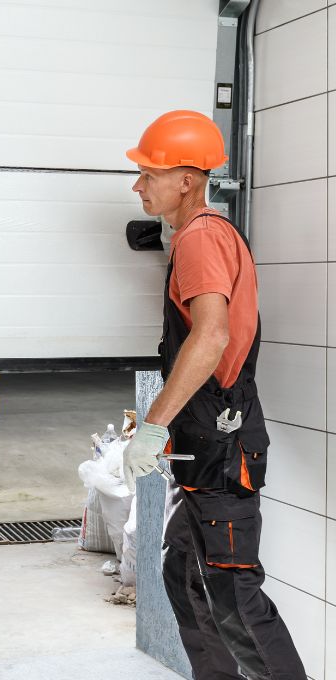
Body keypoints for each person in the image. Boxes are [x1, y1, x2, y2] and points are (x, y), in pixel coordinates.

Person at [121, 110, 306, 679]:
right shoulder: (195, 236)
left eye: (148, 173)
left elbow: (212, 336)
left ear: (186, 179)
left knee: (232, 600)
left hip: (223, 450)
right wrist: (161, 425)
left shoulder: (202, 237)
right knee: (185, 580)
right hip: (206, 445)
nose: (137, 184)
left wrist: (155, 424)